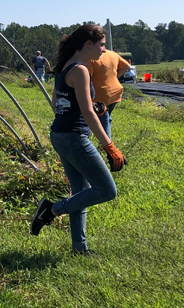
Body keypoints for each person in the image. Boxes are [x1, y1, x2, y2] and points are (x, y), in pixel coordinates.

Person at [31, 24, 126, 256]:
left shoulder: (65, 67)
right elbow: (87, 114)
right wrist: (109, 146)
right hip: (74, 137)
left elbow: (58, 105)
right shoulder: (81, 70)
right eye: (102, 45)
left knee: (80, 192)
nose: (104, 50)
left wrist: (92, 104)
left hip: (60, 135)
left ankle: (79, 248)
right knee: (106, 190)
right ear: (88, 44)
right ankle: (51, 210)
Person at [86, 50, 131, 139]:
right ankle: (104, 144)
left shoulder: (91, 58)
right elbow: (127, 66)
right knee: (106, 117)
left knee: (103, 120)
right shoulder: (112, 54)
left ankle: (107, 147)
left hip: (100, 94)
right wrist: (115, 76)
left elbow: (87, 79)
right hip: (115, 92)